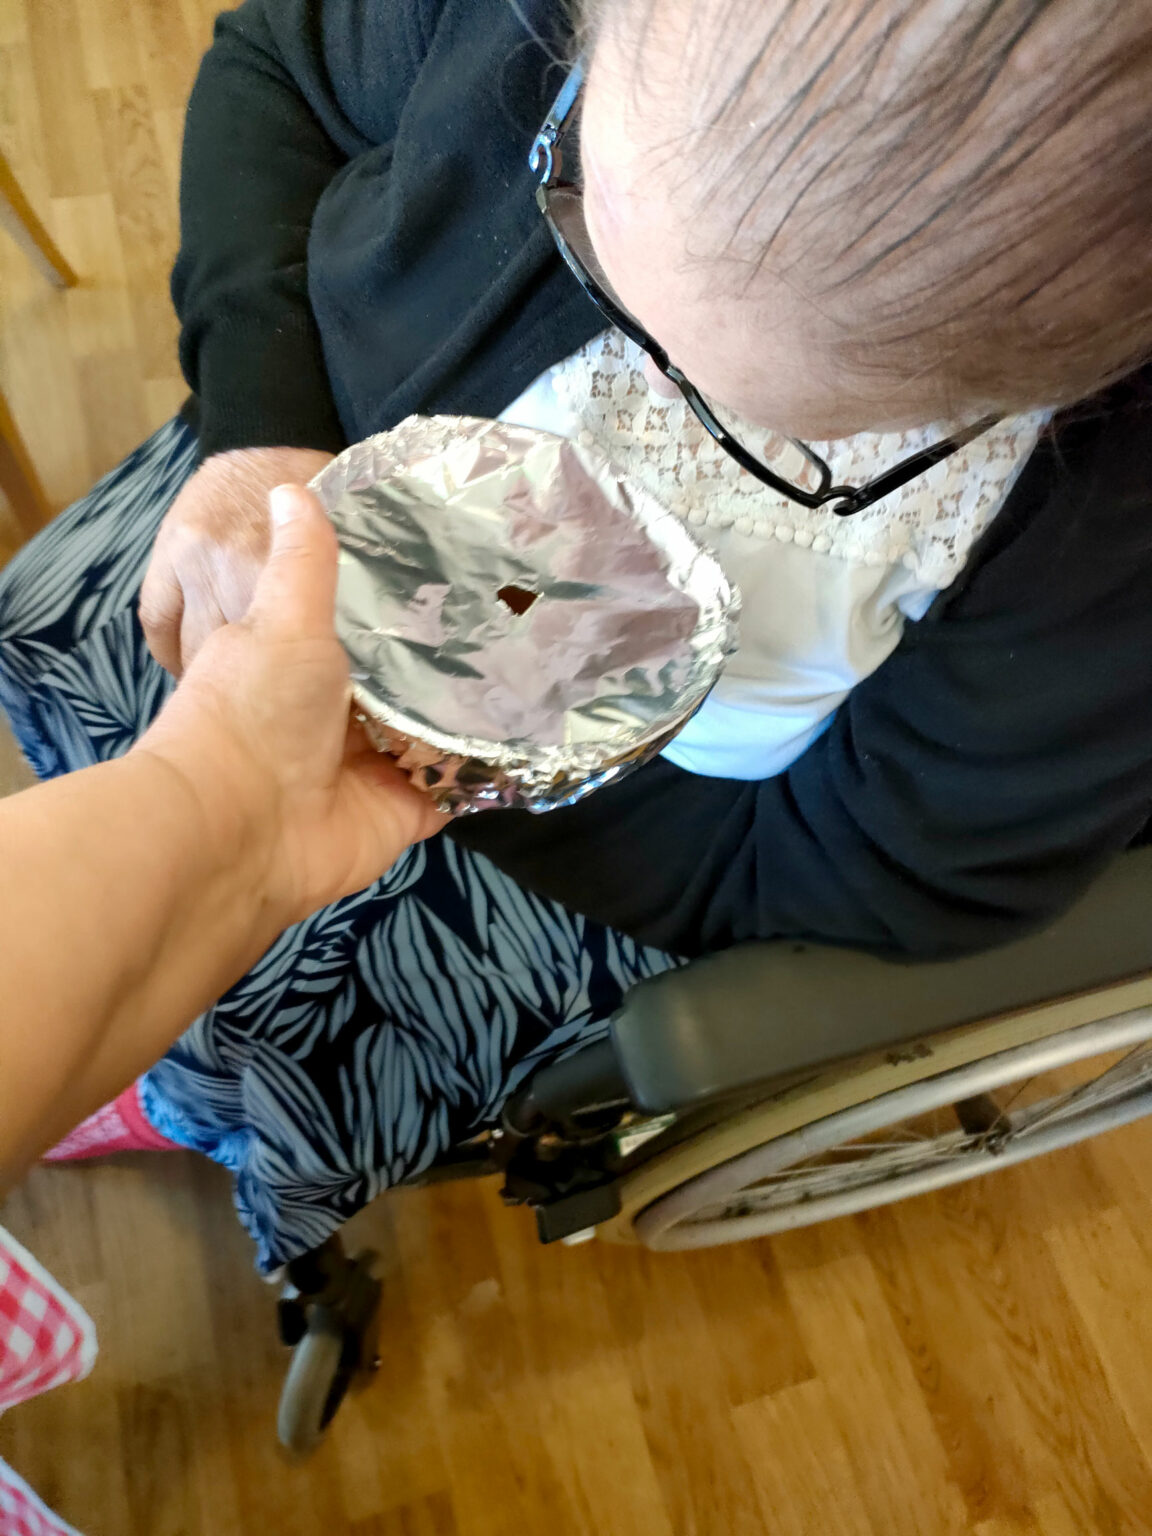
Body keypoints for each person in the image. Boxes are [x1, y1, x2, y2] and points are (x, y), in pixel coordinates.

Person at [1, 0, 1150, 1275]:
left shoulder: (1099, 550)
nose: (645, 373)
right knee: (53, 652)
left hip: (637, 854)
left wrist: (466, 775)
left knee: (249, 1039)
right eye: (582, 221)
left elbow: (873, 871)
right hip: (282, 486)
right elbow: (278, 66)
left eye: (777, 432)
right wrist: (258, 432)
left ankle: (164, 1095)